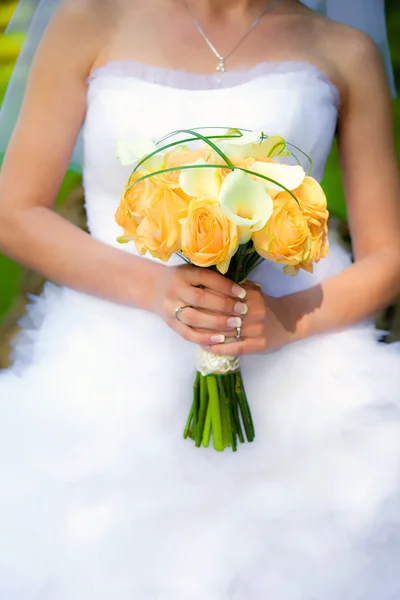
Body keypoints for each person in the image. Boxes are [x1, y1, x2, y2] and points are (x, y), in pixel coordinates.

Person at [0, 0, 400, 597]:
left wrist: (286, 320)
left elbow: (389, 256)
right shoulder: (90, 23)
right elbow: (14, 211)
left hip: (306, 382)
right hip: (111, 371)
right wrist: (157, 287)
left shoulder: (342, 49)